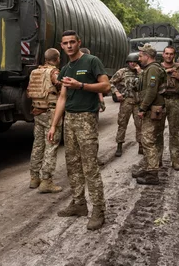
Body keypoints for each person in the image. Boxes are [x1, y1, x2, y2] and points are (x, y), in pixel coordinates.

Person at [47, 30, 110, 230]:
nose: (69, 46)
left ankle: (98, 210)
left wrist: (81, 85)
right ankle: (79, 203)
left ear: (78, 42)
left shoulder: (91, 61)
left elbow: (106, 86)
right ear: (61, 45)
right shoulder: (66, 68)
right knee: (72, 164)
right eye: (65, 43)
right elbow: (62, 98)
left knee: (89, 166)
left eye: (72, 42)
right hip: (70, 121)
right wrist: (54, 125)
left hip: (86, 118)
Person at [27, 48, 62, 193]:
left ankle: (34, 178)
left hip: (37, 111)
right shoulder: (54, 72)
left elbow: (29, 91)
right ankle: (46, 181)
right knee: (51, 145)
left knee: (38, 145)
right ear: (57, 58)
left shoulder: (35, 72)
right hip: (51, 112)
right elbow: (61, 86)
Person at [134, 43, 166, 185]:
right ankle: (149, 168)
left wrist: (142, 108)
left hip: (152, 109)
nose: (139, 58)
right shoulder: (149, 69)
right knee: (151, 139)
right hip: (152, 108)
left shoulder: (153, 69)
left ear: (147, 56)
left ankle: (152, 174)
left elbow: (151, 91)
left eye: (141, 56)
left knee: (148, 140)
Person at [110, 53, 142, 157]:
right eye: (131, 62)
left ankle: (141, 146)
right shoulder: (122, 72)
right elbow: (110, 83)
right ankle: (119, 146)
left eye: (135, 62)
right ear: (128, 62)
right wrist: (116, 92)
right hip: (126, 101)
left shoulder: (142, 72)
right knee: (122, 124)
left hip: (138, 103)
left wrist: (140, 73)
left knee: (140, 125)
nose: (133, 64)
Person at [80, 48, 106, 112]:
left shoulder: (72, 67)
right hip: (90, 104)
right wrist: (102, 102)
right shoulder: (92, 69)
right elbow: (98, 89)